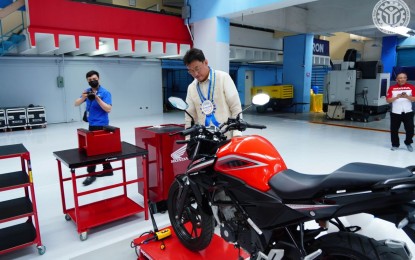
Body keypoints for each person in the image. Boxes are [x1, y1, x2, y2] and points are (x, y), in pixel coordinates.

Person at [183, 48, 242, 136]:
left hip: (226, 136)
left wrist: (237, 134)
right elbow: (190, 116)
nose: (195, 74)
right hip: (204, 139)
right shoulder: (192, 88)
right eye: (191, 71)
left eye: (197, 68)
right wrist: (188, 140)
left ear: (205, 62)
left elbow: (236, 108)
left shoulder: (223, 78)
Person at [74, 70, 113, 185]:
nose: (92, 81)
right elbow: (76, 103)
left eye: (94, 79)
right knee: (100, 149)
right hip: (91, 124)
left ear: (99, 78)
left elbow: (108, 109)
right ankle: (108, 169)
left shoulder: (105, 93)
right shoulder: (87, 91)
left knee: (93, 151)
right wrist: (83, 97)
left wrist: (97, 98)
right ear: (87, 81)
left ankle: (91, 174)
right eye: (90, 80)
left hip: (101, 125)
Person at [386, 72, 415, 152]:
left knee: (410, 129)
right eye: (400, 78)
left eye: (404, 77)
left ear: (406, 79)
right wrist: (396, 97)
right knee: (394, 130)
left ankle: (408, 143)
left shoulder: (411, 87)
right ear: (396, 79)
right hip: (395, 112)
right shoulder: (392, 88)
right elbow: (388, 100)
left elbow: (414, 99)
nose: (402, 79)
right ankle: (395, 145)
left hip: (408, 112)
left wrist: (407, 96)